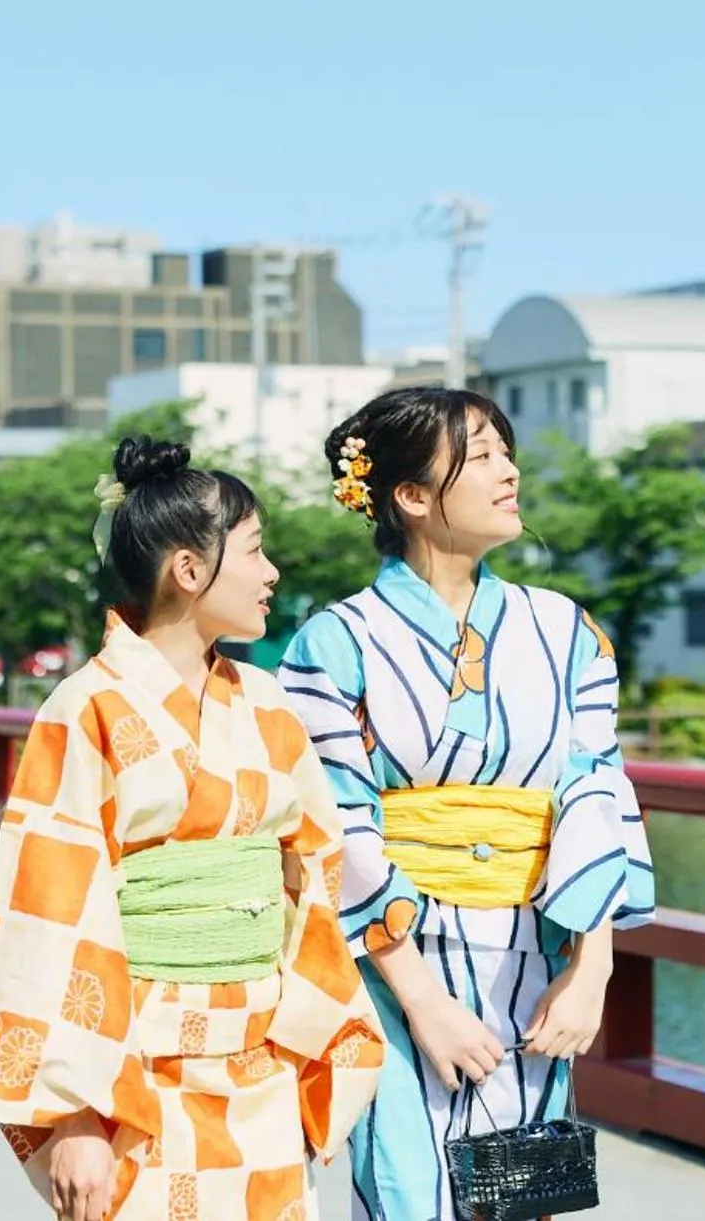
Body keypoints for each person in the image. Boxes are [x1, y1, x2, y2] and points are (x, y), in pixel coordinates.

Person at [0, 437, 384, 1221]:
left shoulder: (269, 706)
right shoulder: (87, 707)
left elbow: (314, 877)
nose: (272, 572)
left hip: (261, 1065)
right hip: (133, 1074)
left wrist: (316, 1041)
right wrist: (71, 1118)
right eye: (255, 550)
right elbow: (51, 908)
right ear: (187, 568)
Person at [280, 388, 654, 1221]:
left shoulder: (567, 632)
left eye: (505, 453)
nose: (510, 472)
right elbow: (337, 826)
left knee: (523, 1196)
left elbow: (594, 792)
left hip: (537, 957)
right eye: (481, 457)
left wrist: (593, 969)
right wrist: (422, 1000)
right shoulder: (334, 643)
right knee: (410, 1188)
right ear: (412, 497)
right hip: (395, 965)